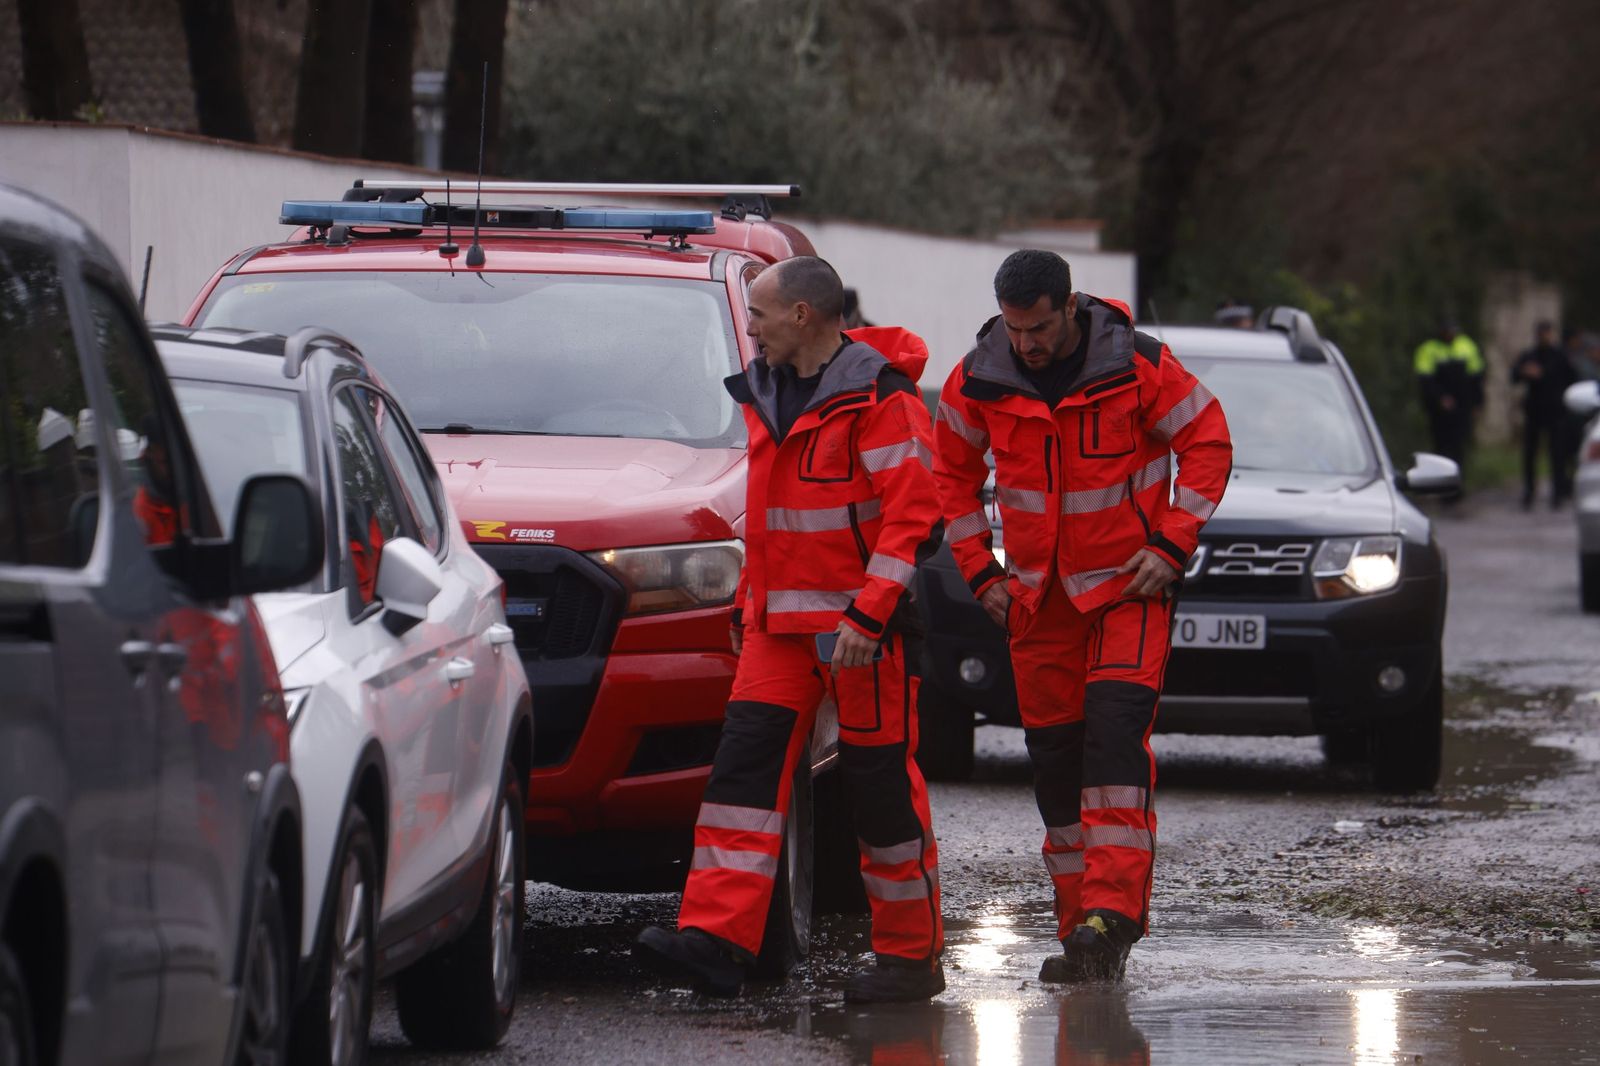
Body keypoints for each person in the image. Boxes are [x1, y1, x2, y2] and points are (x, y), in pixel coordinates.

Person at [636, 256, 945, 1002]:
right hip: (779, 629)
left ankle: (911, 959)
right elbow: (771, 521)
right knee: (743, 775)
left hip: (862, 633)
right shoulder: (767, 391)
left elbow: (914, 519)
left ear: (802, 316)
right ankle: (717, 941)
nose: (751, 329)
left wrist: (869, 613)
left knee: (879, 791)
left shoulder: (882, 399)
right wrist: (748, 607)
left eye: (759, 315)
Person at [932, 250, 1231, 983]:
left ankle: (1112, 914)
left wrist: (1172, 542)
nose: (1025, 343)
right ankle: (1082, 936)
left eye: (1037, 328)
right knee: (1057, 771)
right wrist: (980, 572)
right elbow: (950, 477)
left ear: (1070, 307)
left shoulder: (1137, 366)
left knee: (1115, 746)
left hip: (1127, 593)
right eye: (1014, 329)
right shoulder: (978, 378)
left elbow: (1208, 442)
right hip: (1037, 605)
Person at [1511, 321, 1578, 509]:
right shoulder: (1529, 355)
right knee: (1530, 454)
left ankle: (1558, 493)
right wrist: (1525, 372)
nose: (1544, 337)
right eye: (1541, 333)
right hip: (1534, 411)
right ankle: (1529, 492)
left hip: (1555, 412)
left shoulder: (1560, 356)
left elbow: (1572, 378)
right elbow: (1514, 376)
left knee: (1557, 454)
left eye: (1546, 333)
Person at [1413, 319, 1484, 483]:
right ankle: (1441, 483)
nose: (1450, 334)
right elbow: (1425, 380)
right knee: (1441, 446)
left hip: (1462, 406)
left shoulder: (1466, 345)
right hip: (1438, 409)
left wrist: (1478, 402)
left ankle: (1458, 483)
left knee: (1459, 445)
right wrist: (1440, 398)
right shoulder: (1429, 349)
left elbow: (1476, 377)